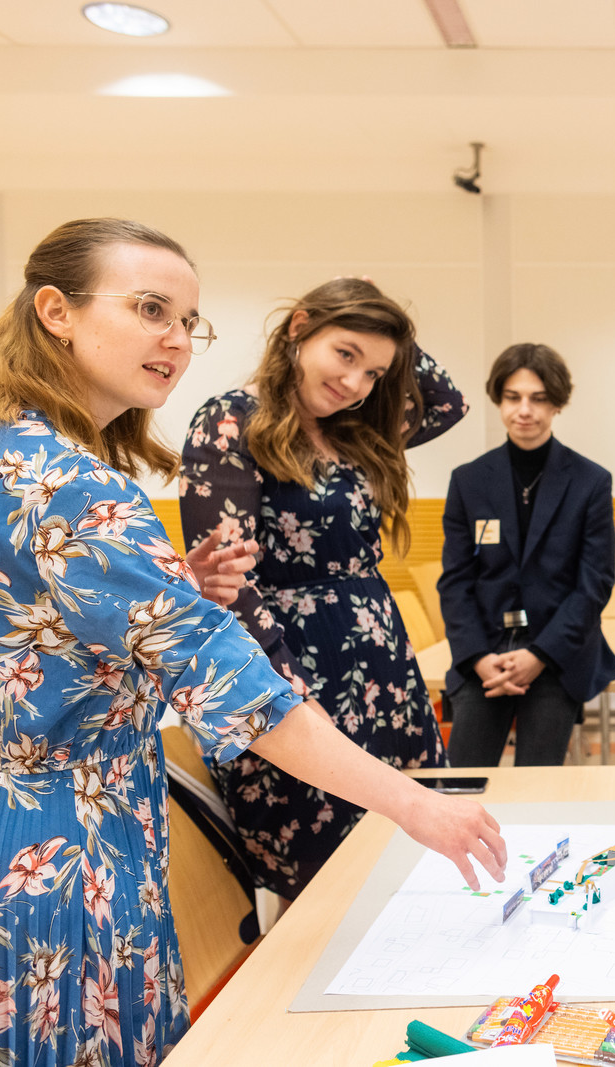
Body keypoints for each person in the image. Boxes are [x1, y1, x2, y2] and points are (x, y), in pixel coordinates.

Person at [0, 219, 505, 1067]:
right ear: (56, 311)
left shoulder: (12, 451)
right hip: (66, 858)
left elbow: (57, 628)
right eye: (150, 309)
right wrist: (416, 804)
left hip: (16, 831)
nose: (178, 339)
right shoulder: (67, 480)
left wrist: (165, 585)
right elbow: (235, 685)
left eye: (189, 320)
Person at [179, 277, 468, 899]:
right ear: (299, 328)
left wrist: (390, 330)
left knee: (410, 861)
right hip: (295, 671)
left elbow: (450, 402)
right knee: (327, 884)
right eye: (345, 353)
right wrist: (289, 696)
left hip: (385, 673)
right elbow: (230, 583)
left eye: (374, 373)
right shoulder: (231, 420)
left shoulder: (355, 427)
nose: (356, 383)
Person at [438, 343, 615, 766]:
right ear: (498, 401)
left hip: (556, 653)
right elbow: (455, 582)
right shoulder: (468, 481)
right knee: (463, 778)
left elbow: (594, 584)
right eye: (513, 397)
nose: (525, 410)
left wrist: (539, 655)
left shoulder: (590, 482)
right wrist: (478, 657)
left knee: (539, 782)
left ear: (557, 404)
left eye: (538, 399)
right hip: (485, 652)